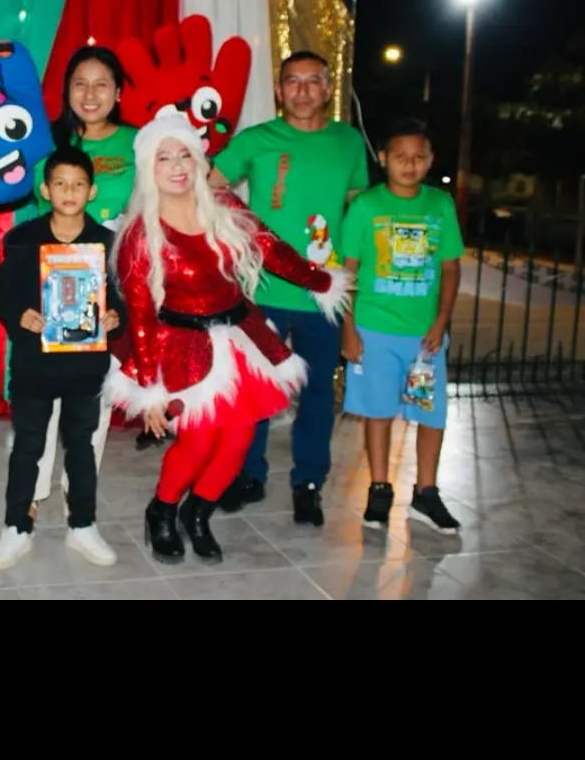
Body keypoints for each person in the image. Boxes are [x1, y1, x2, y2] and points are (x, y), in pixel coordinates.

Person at [111, 111, 350, 566]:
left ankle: (197, 513)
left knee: (238, 442)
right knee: (199, 442)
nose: (177, 165)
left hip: (240, 338)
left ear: (199, 159)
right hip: (182, 348)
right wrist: (150, 389)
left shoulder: (224, 206)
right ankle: (162, 511)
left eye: (185, 154)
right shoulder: (140, 234)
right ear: (148, 168)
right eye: (164, 157)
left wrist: (322, 282)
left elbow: (273, 249)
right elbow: (140, 314)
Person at [215, 49, 369, 529]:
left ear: (328, 88)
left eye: (312, 80)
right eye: (292, 81)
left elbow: (358, 214)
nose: (302, 90)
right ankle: (249, 474)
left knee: (318, 391)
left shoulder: (348, 142)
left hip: (323, 293)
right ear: (280, 90)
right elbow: (207, 187)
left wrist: (356, 283)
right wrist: (234, 234)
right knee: (255, 388)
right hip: (262, 290)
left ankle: (308, 483)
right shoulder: (257, 139)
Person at [0, 146, 124, 573]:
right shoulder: (24, 238)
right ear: (45, 190)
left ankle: (82, 524)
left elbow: (121, 297)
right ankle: (16, 525)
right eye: (60, 183)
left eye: (78, 184)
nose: (69, 191)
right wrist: (19, 314)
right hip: (35, 363)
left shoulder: (106, 243)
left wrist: (115, 316)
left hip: (85, 365)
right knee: (28, 444)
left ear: (91, 191)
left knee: (82, 445)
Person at [17, 45, 139, 514]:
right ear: (66, 91)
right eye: (79, 84)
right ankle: (31, 489)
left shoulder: (139, 143)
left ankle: (78, 485)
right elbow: (27, 204)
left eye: (101, 84)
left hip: (111, 280)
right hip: (51, 279)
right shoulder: (44, 142)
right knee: (43, 390)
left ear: (118, 92)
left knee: (94, 390)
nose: (90, 94)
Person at [341, 119, 464, 535]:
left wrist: (441, 320)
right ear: (383, 159)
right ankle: (379, 488)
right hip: (374, 331)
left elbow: (450, 268)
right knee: (379, 412)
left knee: (429, 414)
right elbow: (348, 270)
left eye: (418, 157)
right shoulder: (366, 206)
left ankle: (426, 492)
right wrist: (349, 327)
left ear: (430, 160)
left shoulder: (440, 205)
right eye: (400, 157)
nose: (410, 164)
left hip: (424, 340)